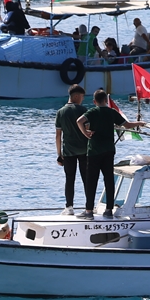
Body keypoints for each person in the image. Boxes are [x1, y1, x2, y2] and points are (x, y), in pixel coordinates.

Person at [76, 89, 141, 219]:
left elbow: (79, 121)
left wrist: (85, 133)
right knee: (109, 180)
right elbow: (127, 125)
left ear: (94, 101)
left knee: (91, 181)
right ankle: (109, 210)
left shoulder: (92, 112)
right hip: (109, 150)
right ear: (106, 100)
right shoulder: (112, 112)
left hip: (94, 151)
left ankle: (88, 211)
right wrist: (139, 123)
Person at [55, 85, 89, 215]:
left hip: (68, 152)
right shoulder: (83, 110)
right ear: (75, 96)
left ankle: (69, 207)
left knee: (70, 179)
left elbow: (58, 135)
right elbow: (88, 130)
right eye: (81, 97)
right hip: (85, 151)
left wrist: (59, 154)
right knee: (87, 179)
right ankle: (88, 207)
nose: (82, 100)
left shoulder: (61, 112)